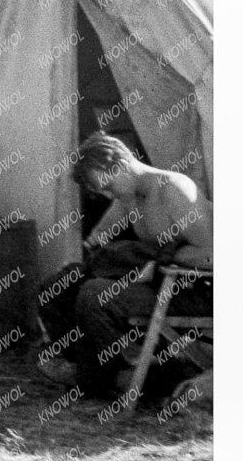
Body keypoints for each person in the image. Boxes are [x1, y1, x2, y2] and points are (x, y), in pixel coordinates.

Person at [57, 133, 211, 401]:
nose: (106, 195)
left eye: (106, 187)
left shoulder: (173, 189)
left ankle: (115, 381)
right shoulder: (129, 196)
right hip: (163, 284)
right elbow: (101, 233)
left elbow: (213, 254)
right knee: (66, 282)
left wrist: (158, 255)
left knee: (95, 294)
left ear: (119, 166)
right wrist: (99, 243)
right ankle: (100, 372)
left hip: (195, 291)